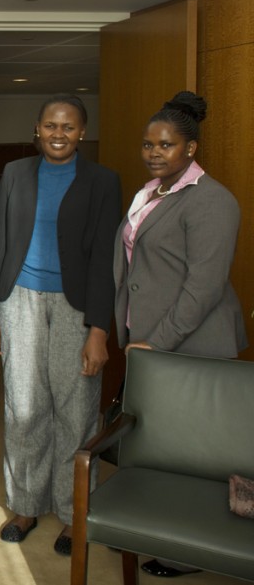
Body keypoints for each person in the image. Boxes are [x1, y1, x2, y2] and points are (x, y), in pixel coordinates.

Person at [114, 90, 247, 579]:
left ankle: (186, 551)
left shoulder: (213, 201)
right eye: (148, 144)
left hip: (192, 343)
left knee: (197, 453)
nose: (153, 153)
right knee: (157, 444)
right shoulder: (152, 191)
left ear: (190, 149)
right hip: (151, 340)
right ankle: (149, 529)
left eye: (165, 145)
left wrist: (158, 341)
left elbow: (204, 288)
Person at [0, 94, 121, 555]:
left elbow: (106, 260)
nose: (58, 134)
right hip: (18, 300)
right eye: (50, 126)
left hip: (76, 307)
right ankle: (25, 504)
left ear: (82, 132)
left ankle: (71, 512)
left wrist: (99, 330)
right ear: (37, 129)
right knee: (23, 408)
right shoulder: (16, 174)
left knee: (76, 409)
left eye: (67, 127)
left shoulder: (103, 182)